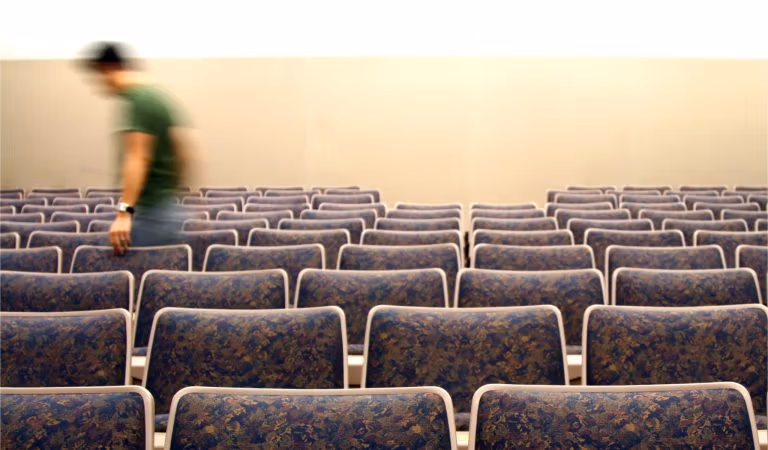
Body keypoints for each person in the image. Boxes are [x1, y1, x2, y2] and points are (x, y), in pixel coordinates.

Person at [83, 42, 193, 255]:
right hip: (165, 210)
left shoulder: (139, 100)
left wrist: (124, 213)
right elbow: (184, 150)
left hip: (151, 214)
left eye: (99, 76)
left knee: (102, 262)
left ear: (107, 69)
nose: (100, 85)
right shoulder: (155, 96)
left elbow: (138, 157)